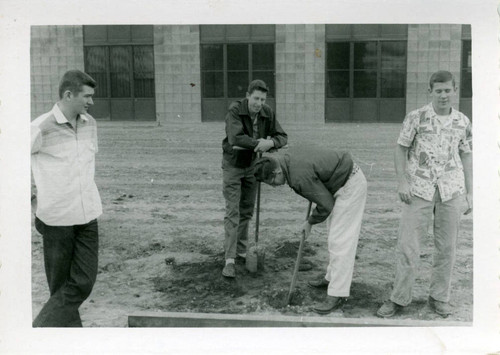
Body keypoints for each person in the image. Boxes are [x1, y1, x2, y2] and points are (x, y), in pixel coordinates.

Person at [376, 70, 473, 318]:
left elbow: (466, 155)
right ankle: (399, 298)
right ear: (430, 91)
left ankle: (439, 297)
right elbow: (400, 149)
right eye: (438, 91)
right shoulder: (416, 118)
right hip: (418, 188)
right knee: (408, 245)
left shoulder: (463, 121)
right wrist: (402, 183)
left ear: (454, 91)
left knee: (447, 248)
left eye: (447, 90)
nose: (443, 95)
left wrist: (470, 192)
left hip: (451, 190)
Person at [254, 147, 367, 314]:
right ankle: (331, 278)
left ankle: (337, 294)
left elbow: (326, 204)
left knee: (340, 242)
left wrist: (310, 222)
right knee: (334, 236)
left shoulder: (298, 176)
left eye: (272, 182)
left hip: (349, 185)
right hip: (338, 179)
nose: (274, 186)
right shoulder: (282, 159)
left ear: (277, 171)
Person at [31, 70, 102, 327]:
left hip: (87, 215)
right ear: (68, 94)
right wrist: (32, 200)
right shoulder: (40, 127)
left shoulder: (90, 124)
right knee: (60, 289)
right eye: (87, 96)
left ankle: (38, 330)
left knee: (83, 282)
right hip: (56, 219)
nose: (91, 102)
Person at [221, 79, 288, 278]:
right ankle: (230, 260)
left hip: (252, 166)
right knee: (233, 211)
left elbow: (283, 137)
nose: (259, 103)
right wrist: (260, 143)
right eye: (256, 98)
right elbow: (235, 138)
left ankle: (241, 251)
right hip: (233, 165)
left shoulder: (267, 112)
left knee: (247, 211)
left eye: (262, 99)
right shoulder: (235, 110)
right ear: (248, 96)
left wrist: (271, 142)